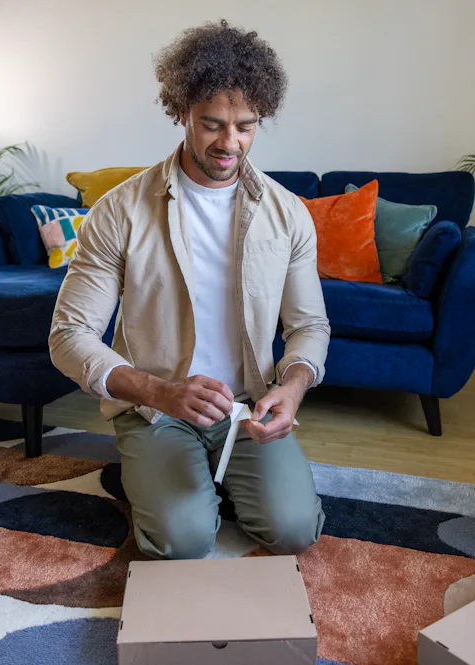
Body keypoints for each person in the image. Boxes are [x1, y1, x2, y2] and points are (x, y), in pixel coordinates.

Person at [50, 19, 330, 560]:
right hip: (157, 409)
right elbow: (69, 334)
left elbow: (309, 326)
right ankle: (178, 482)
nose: (230, 143)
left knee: (296, 530)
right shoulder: (119, 210)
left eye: (246, 126)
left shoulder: (288, 214)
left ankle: (213, 478)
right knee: (182, 540)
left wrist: (291, 390)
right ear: (181, 112)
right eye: (212, 124)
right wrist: (159, 392)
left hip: (247, 409)